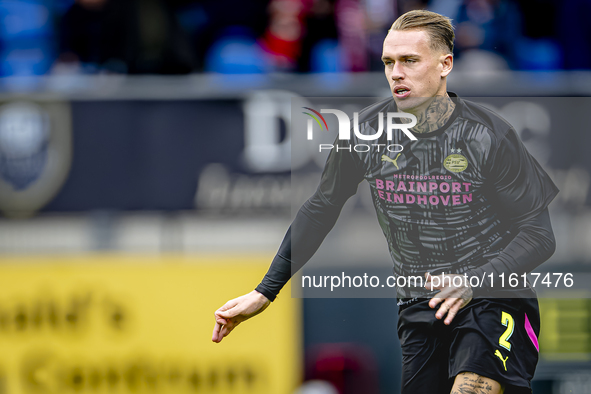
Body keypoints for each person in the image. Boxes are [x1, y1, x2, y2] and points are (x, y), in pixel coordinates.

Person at [212, 10, 558, 394]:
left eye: (410, 60)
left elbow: (540, 235)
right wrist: (265, 291)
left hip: (493, 300)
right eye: (388, 62)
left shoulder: (490, 134)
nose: (396, 73)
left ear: (445, 65)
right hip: (419, 309)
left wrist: (471, 282)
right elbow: (320, 209)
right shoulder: (365, 133)